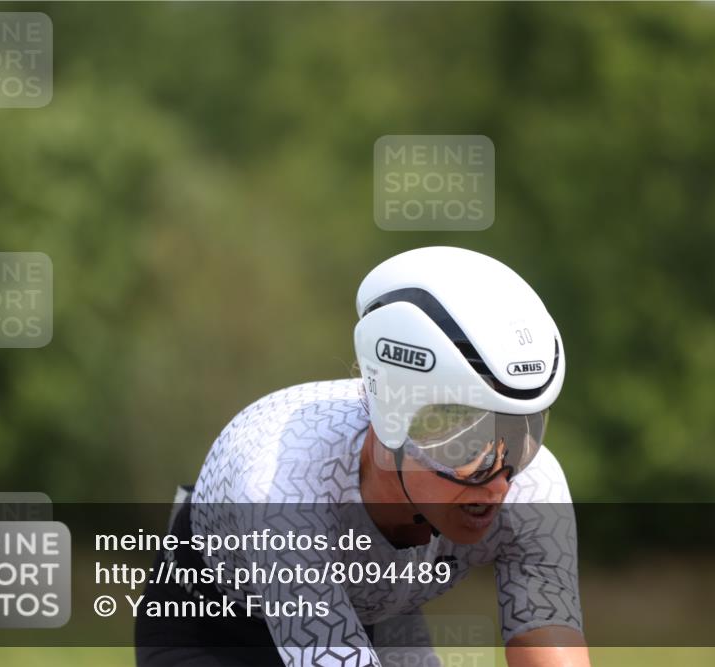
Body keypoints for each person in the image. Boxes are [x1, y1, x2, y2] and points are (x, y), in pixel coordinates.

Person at [135, 246, 590, 667]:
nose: (498, 483)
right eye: (466, 450)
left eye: (523, 434)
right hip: (216, 624)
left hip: (377, 608)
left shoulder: (535, 486)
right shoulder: (283, 482)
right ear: (393, 420)